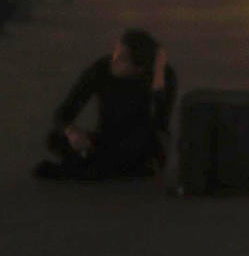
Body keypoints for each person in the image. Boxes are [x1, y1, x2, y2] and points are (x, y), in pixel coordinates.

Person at [35, 29, 177, 179]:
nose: (114, 59)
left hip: (142, 144)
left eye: (122, 59)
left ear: (139, 68)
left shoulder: (163, 76)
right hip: (107, 139)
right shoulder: (102, 69)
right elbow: (64, 112)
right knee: (55, 138)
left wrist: (158, 79)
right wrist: (71, 132)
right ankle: (102, 168)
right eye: (116, 51)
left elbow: (161, 123)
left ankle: (84, 169)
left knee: (133, 149)